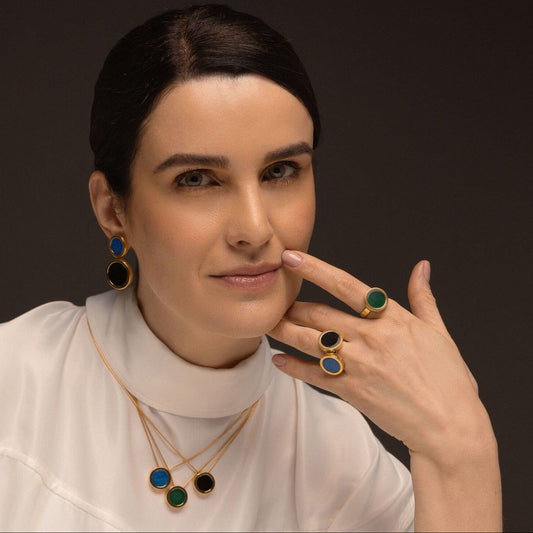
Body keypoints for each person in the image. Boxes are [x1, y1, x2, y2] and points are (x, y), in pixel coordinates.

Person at [0, 4, 501, 531]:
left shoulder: (346, 467)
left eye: (280, 171)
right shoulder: (15, 383)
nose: (255, 229)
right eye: (197, 179)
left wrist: (459, 443)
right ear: (112, 209)